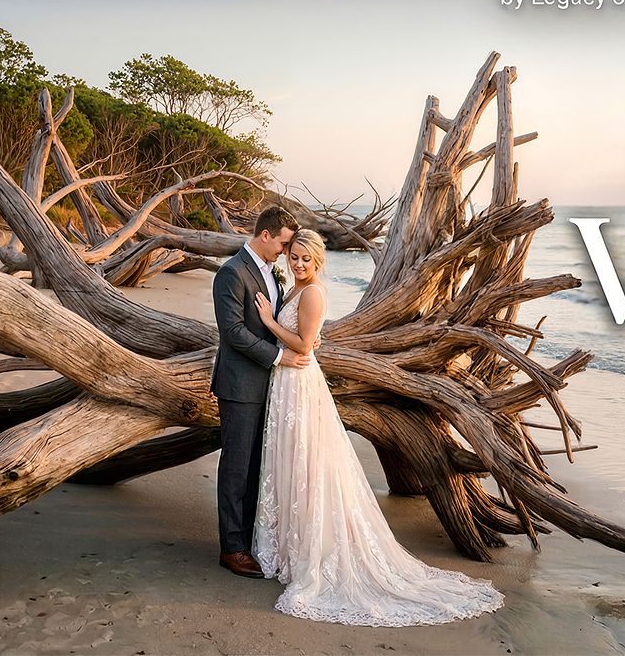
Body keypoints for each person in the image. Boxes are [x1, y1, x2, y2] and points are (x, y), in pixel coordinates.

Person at [250, 229, 503, 625]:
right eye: (294, 257)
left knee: (306, 462)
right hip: (287, 383)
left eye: (306, 259)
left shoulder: (313, 293)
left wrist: (268, 321)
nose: (298, 264)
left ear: (318, 262)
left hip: (298, 381)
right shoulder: (296, 289)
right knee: (290, 460)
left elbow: (303, 344)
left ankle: (312, 552)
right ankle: (290, 548)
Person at [211, 205, 312, 578]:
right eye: (284, 244)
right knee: (237, 467)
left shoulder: (273, 275)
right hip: (240, 386)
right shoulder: (232, 273)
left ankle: (252, 540)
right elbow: (233, 333)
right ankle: (232, 548)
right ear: (266, 234)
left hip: (269, 387)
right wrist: (279, 357)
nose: (286, 253)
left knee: (259, 466)